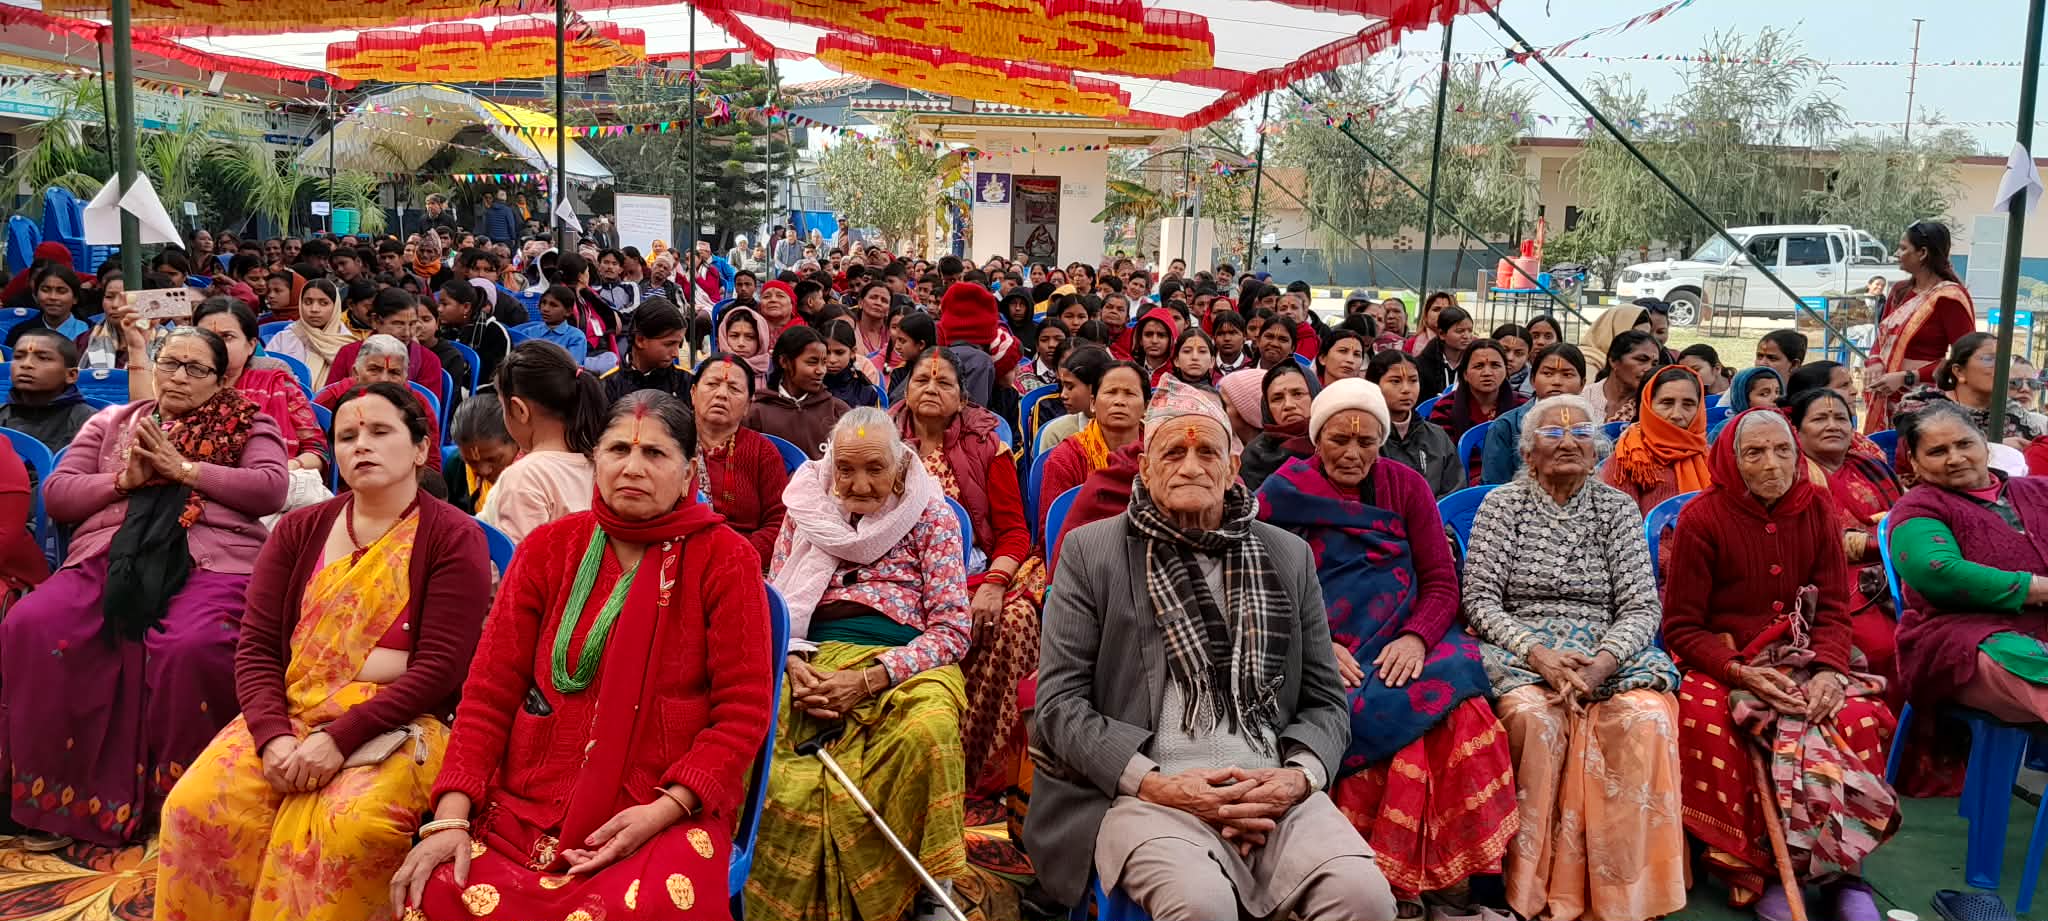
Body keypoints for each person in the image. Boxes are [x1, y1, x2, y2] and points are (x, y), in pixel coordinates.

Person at [390, 390, 773, 920]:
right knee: (437, 890)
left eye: (655, 454)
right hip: (529, 802)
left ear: (688, 473)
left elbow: (742, 712)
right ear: (595, 461)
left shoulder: (725, 560)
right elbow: (489, 693)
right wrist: (450, 818)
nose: (632, 468)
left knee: (637, 908)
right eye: (618, 450)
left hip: (664, 806)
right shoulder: (548, 549)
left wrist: (665, 808)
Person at [1028, 377, 1397, 921]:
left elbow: (1325, 701)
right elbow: (1059, 705)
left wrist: (1297, 778)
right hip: (1144, 793)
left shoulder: (1287, 555)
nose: (1191, 467)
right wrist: (1156, 785)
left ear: (1232, 468)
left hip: (1271, 792)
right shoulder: (1093, 552)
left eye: (1207, 452)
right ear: (1145, 468)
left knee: (1365, 899)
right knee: (1201, 906)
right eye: (1173, 453)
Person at [153, 382, 490, 920]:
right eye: (348, 436)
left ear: (421, 448)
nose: (362, 445)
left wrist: (339, 738)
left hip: (400, 721)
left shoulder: (451, 536)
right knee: (197, 808)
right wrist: (272, 738)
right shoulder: (298, 530)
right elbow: (258, 648)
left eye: (380, 431)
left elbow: (440, 669)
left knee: (346, 830)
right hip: (291, 710)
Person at [0, 327, 287, 848]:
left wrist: (187, 471)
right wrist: (122, 482)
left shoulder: (250, 422)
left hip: (210, 560)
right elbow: (59, 493)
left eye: (195, 368)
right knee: (33, 623)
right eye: (169, 363)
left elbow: (270, 487)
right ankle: (59, 802)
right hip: (114, 556)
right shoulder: (112, 422)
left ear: (221, 380)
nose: (178, 376)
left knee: (192, 646)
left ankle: (185, 810)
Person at [1256, 379, 1516, 915]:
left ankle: (1450, 879)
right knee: (1352, 712)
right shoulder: (1281, 494)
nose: (1352, 453)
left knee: (1462, 711)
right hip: (1319, 643)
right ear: (1316, 439)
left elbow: (1440, 580)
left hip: (1406, 631)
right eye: (1338, 440)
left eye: (1366, 441)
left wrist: (1417, 637)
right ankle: (1377, 880)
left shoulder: (1406, 486)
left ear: (1381, 441)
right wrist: (1317, 648)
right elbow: (1260, 590)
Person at [1662, 408, 1899, 920]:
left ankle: (1843, 872)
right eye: (1754, 453)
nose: (1771, 464)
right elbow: (1681, 627)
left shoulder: (1816, 508)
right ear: (1732, 461)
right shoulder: (1703, 518)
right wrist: (1739, 672)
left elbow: (1833, 608)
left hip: (1805, 652)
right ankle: (1759, 867)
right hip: (1725, 659)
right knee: (1713, 720)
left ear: (1797, 455)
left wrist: (1830, 671)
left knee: (1855, 717)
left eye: (1782, 451)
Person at [1462, 393, 1686, 921]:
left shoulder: (1617, 508)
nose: (1568, 442)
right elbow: (1480, 600)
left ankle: (1623, 891)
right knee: (1534, 718)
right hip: (1523, 648)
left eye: (1581, 433)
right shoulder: (1503, 506)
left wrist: (1604, 662)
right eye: (1553, 433)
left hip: (1607, 650)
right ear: (1527, 452)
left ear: (1597, 451)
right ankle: (1527, 886)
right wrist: (1539, 655)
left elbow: (1640, 604)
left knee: (1646, 718)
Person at [750, 408, 976, 920]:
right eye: (846, 469)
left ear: (899, 468)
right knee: (762, 733)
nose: (860, 484)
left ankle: (928, 885)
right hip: (811, 657)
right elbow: (777, 604)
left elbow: (952, 631)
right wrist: (790, 661)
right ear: (830, 467)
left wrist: (871, 679)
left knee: (929, 730)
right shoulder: (805, 509)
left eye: (875, 468)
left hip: (906, 663)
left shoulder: (932, 515)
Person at [892, 348, 1039, 795]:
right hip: (898, 575)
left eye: (944, 383)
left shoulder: (986, 444)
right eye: (922, 381)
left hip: (973, 573)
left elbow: (1013, 531)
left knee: (1016, 620)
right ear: (906, 390)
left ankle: (982, 768)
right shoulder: (879, 440)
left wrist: (995, 583)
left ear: (962, 398)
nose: (931, 389)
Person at [1891, 400, 2048, 727]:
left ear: (1985, 446)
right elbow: (1936, 571)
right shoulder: (1919, 507)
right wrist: (2036, 588)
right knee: (2027, 661)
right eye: (1937, 452)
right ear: (1915, 464)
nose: (1955, 458)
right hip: (1963, 635)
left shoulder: (2038, 491)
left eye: (1965, 444)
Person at [1789, 387, 1905, 695]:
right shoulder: (1791, 475)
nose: (1833, 426)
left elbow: (1905, 515)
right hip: (1829, 575)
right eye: (1820, 419)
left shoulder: (1872, 466)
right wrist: (1880, 543)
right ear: (1797, 431)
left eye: (1841, 418)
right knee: (1882, 644)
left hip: (1895, 564)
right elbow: (1802, 539)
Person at [182, 298, 329, 494]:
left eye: (227, 337)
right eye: (206, 336)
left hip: (270, 489)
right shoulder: (180, 384)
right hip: (195, 488)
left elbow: (317, 451)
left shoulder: (277, 385)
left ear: (251, 345)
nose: (215, 345)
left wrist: (288, 467)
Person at [478, 342, 605, 543]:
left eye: (503, 406)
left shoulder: (525, 477)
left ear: (519, 410)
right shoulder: (601, 463)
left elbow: (518, 557)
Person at [1866, 221, 1975, 433]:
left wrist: (1907, 377)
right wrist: (1874, 361)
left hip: (1923, 397)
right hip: (1885, 390)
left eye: (1903, 248)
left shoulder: (1948, 297)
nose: (1897, 253)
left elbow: (1965, 358)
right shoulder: (1899, 291)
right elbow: (1882, 337)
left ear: (1922, 253)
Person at [691, 355, 787, 571]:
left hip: (743, 562)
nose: (721, 394)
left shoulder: (762, 452)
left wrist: (735, 556)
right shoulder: (671, 443)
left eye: (734, 389)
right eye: (712, 384)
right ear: (693, 393)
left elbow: (780, 521)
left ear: (748, 406)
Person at [1038, 360, 1147, 526]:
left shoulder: (1159, 454)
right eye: (1111, 392)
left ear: (1146, 407)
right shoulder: (1066, 458)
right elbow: (1052, 529)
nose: (1119, 401)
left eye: (1130, 393)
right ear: (1093, 403)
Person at [312, 336, 443, 471]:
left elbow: (431, 463)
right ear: (356, 372)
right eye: (374, 370)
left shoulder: (418, 405)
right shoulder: (332, 399)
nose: (384, 379)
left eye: (394, 372)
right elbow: (313, 450)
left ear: (405, 377)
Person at [1896, 331, 2041, 450]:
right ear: (1959, 371)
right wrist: (1994, 448)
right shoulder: (1921, 405)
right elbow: (1922, 451)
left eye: (2005, 360)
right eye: (1989, 359)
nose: (2000, 366)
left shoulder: (2013, 412)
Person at [1603, 365, 1712, 514]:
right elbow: (1620, 520)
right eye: (1667, 403)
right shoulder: (1630, 459)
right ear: (1648, 405)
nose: (1677, 414)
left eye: (1688, 404)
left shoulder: (1711, 456)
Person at [1482, 343, 1587, 485]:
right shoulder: (1505, 426)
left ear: (1582, 384)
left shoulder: (1590, 426)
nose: (1556, 382)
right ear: (1532, 380)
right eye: (1547, 373)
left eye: (1567, 374)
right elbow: (1493, 485)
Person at [1426, 338, 1523, 484]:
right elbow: (1444, 459)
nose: (1487, 373)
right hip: (1462, 483)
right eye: (1478, 366)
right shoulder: (1445, 408)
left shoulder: (1522, 406)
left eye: (1495, 365)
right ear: (1465, 374)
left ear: (1506, 371)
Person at [1366, 350, 1463, 498]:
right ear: (1374, 385)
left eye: (1413, 380)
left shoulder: (1437, 437)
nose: (1406, 389)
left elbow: (1454, 491)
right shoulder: (1366, 438)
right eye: (1395, 381)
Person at [746, 325, 851, 460]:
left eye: (823, 363)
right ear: (784, 362)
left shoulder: (838, 410)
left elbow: (862, 437)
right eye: (812, 362)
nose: (820, 371)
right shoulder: (756, 414)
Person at [326, 288, 446, 397]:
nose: (407, 333)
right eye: (398, 324)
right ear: (375, 321)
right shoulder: (348, 353)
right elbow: (329, 401)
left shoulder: (428, 361)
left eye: (412, 324)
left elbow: (426, 409)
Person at [0, 327, 96, 453]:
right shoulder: (2, 414)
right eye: (18, 357)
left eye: (43, 358)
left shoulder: (90, 423)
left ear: (71, 375)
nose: (26, 364)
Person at [1239, 361, 1316, 492]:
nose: (1288, 405)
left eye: (1297, 394)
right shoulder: (1254, 456)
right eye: (1277, 398)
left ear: (1315, 395)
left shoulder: (1335, 442)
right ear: (1267, 407)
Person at [265, 278, 354, 386]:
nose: (314, 309)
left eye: (324, 303)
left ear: (335, 306)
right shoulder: (284, 338)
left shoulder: (348, 344)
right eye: (308, 302)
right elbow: (266, 375)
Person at [600, 298, 691, 403]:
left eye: (679, 345)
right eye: (669, 344)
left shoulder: (687, 382)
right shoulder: (607, 386)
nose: (676, 354)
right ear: (640, 340)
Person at [447, 393, 517, 516]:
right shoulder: (456, 466)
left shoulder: (530, 482)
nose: (483, 471)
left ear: (516, 441)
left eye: (493, 459)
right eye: (470, 462)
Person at [5, 264, 91, 351]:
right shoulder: (19, 333)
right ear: (35, 295)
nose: (53, 297)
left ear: (75, 298)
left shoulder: (91, 332)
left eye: (61, 291)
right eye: (45, 290)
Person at [1585, 330, 1661, 424]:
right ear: (1613, 361)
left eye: (1654, 364)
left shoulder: (1652, 405)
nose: (1649, 369)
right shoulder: (1583, 398)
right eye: (1641, 360)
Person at [514, 284, 592, 366]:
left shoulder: (575, 337)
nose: (545, 309)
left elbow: (572, 367)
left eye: (553, 305)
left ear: (568, 312)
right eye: (543, 303)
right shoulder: (528, 332)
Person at [1709, 365, 1785, 444]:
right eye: (1764, 394)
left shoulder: (1785, 426)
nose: (1776, 399)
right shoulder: (1725, 430)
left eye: (1777, 392)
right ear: (1743, 399)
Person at [820, 318, 883, 408]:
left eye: (839, 352)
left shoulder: (866, 392)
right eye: (827, 352)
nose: (832, 360)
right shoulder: (808, 388)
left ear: (852, 352)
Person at [1414, 306, 1475, 397]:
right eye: (1459, 331)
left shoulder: (1473, 362)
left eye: (1470, 331)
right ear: (1442, 334)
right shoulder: (1421, 365)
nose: (1467, 336)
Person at [716, 302, 772, 392]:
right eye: (734, 336)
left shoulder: (772, 372)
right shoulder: (713, 371)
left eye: (750, 337)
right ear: (724, 338)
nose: (741, 343)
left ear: (761, 341)